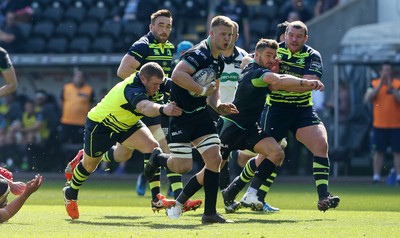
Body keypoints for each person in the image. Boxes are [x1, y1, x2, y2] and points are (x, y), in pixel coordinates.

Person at [227, 21, 340, 213]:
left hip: (303, 109)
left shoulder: (313, 55)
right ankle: (235, 189)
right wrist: (298, 83)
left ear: (306, 38)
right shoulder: (274, 52)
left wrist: (287, 82)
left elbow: (312, 82)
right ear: (284, 35)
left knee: (321, 144)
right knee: (268, 155)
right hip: (276, 109)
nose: (294, 39)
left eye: (299, 36)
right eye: (291, 35)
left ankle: (323, 196)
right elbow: (272, 84)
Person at [145, 16, 238, 224]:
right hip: (180, 115)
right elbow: (178, 74)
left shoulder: (220, 61)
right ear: (211, 34)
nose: (227, 39)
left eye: (230, 35)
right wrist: (201, 89)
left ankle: (210, 214)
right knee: (182, 167)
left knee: (215, 159)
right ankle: (157, 159)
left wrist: (219, 105)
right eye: (223, 34)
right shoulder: (199, 53)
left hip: (200, 115)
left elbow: (213, 92)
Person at [62, 62, 183, 220]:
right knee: (89, 165)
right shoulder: (132, 87)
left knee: (150, 147)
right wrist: (163, 108)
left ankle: (156, 199)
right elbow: (144, 107)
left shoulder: (157, 82)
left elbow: (180, 88)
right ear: (143, 79)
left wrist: (202, 91)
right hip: (102, 125)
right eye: (154, 84)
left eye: (159, 84)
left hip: (127, 124)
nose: (157, 88)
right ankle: (70, 193)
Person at [115, 9, 201, 211]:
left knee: (158, 149)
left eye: (168, 26)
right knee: (125, 154)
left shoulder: (168, 47)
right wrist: (148, 87)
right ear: (151, 27)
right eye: (160, 26)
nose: (164, 30)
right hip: (136, 106)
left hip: (154, 108)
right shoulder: (142, 46)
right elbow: (122, 71)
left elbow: (162, 80)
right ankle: (86, 157)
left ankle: (170, 198)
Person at [364, 63, 400, 184]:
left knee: (397, 151)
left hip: (396, 125)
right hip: (379, 125)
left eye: (389, 70)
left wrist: (390, 86)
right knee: (378, 151)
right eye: (384, 70)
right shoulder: (373, 83)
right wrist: (380, 85)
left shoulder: (397, 84)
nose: (386, 73)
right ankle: (376, 176)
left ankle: (399, 177)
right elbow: (367, 98)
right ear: (380, 72)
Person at [58, 67, 94, 145]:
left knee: (78, 144)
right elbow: (62, 102)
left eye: (80, 76)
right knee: (62, 143)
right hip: (66, 121)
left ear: (84, 78)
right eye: (77, 76)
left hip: (81, 123)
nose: (78, 78)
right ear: (73, 77)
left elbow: (92, 105)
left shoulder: (89, 90)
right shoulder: (66, 88)